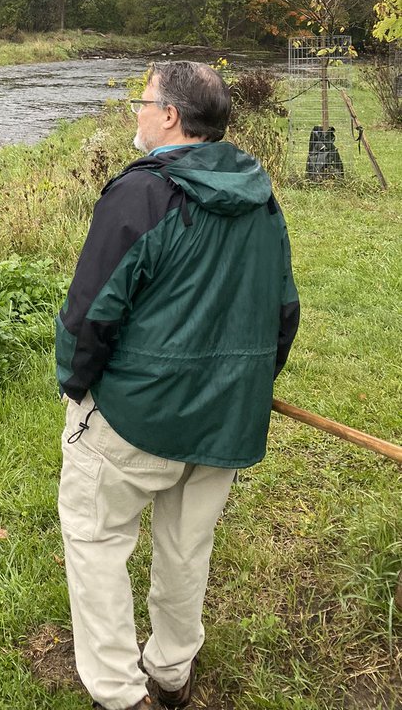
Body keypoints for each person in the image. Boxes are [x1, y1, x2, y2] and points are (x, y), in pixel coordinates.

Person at [56, 61, 299, 710]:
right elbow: (284, 313)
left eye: (143, 101)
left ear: (169, 116)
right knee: (188, 547)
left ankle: (119, 691)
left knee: (97, 538)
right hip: (225, 418)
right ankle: (170, 673)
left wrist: (76, 388)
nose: (135, 111)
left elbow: (91, 313)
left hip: (140, 415)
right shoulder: (261, 196)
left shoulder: (138, 196)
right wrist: (245, 387)